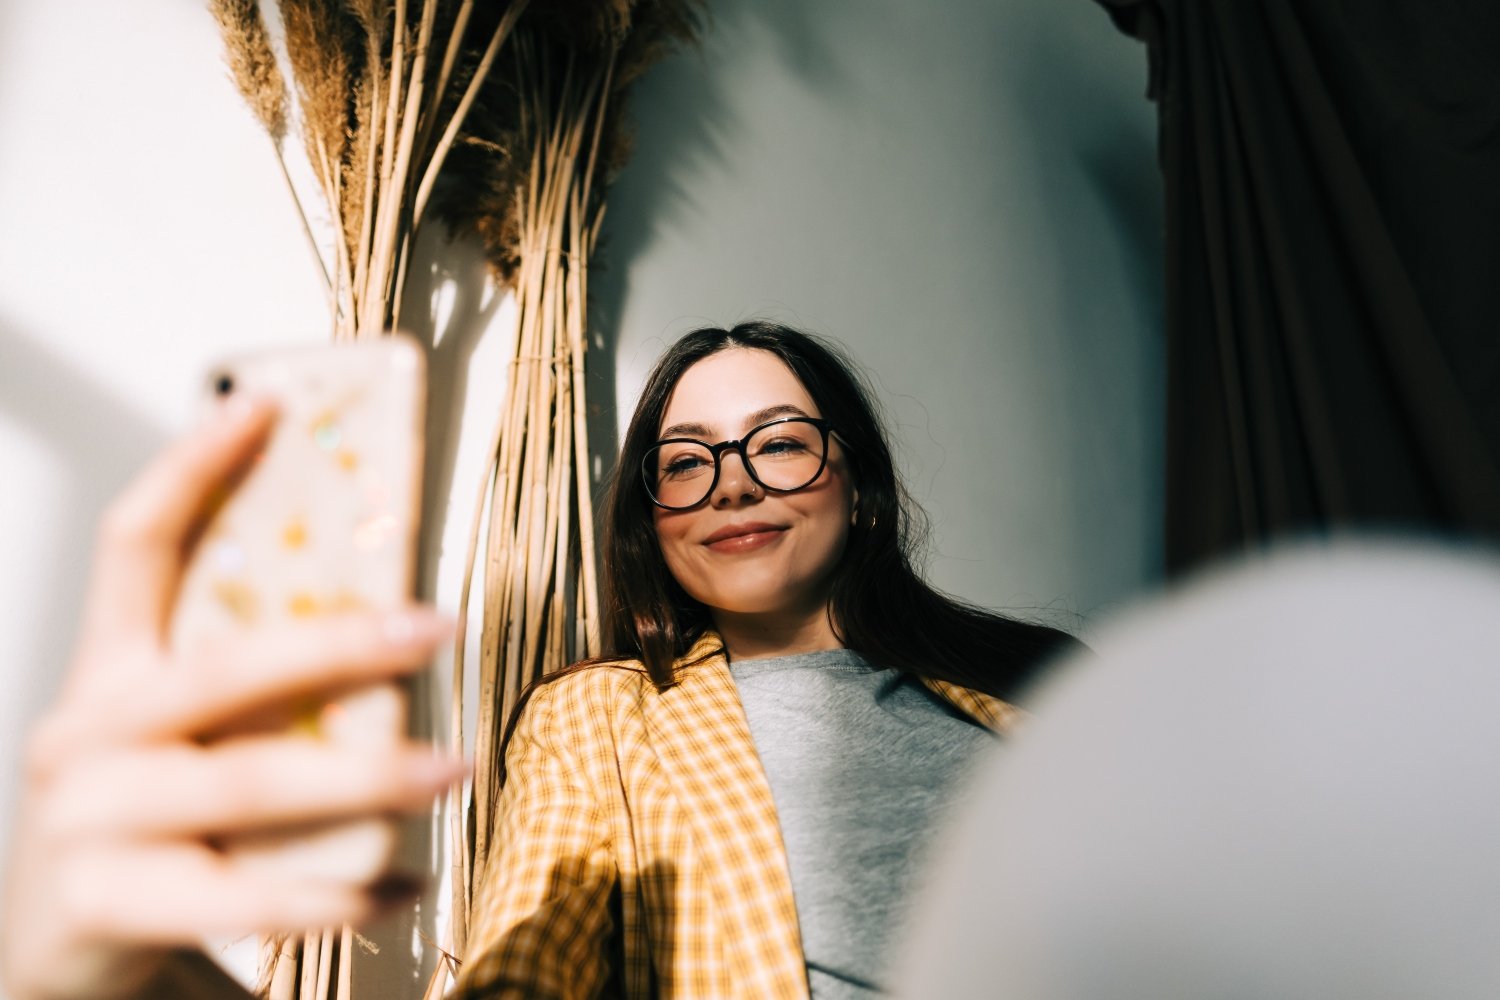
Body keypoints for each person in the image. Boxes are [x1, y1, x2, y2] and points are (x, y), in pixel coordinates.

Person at [1, 322, 1076, 1000]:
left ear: (859, 480)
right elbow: (525, 968)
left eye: (780, 441)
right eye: (685, 463)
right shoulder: (597, 720)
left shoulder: (1048, 687)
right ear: (649, 521)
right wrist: (90, 972)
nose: (733, 484)